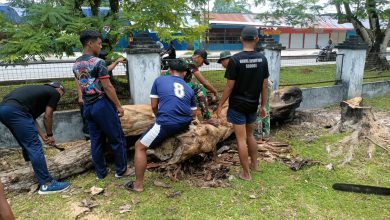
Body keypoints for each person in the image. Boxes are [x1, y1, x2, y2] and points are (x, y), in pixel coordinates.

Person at [125, 59, 197, 192]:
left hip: (166, 122)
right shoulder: (189, 87)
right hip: (184, 122)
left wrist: (159, 116)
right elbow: (194, 113)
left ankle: (138, 185)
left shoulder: (159, 80)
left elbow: (153, 105)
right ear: (185, 72)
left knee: (139, 147)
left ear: (170, 71)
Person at [73, 30, 133, 180]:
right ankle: (121, 170)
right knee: (116, 138)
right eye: (99, 44)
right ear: (89, 43)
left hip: (87, 106)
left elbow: (81, 82)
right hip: (102, 104)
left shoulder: (77, 63)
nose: (100, 47)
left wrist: (81, 97)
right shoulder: (98, 62)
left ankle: (100, 172)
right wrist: (119, 106)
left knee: (96, 140)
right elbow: (108, 87)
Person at [216, 26, 269, 181]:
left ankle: (246, 173)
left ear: (241, 39)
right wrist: (263, 105)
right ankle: (254, 165)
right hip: (253, 104)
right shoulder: (262, 59)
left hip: (238, 105)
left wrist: (220, 105)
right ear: (256, 39)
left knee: (241, 139)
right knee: (250, 135)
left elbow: (229, 86)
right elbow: (264, 84)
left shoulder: (235, 59)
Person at [0, 82, 70, 194]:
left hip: (4, 110)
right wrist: (50, 135)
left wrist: (43, 135)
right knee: (34, 146)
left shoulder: (37, 92)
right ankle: (47, 184)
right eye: (62, 94)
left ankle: (30, 169)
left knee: (26, 143)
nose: (59, 98)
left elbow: (30, 118)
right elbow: (48, 116)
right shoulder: (54, 93)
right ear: (59, 89)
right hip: (16, 111)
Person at [185, 49, 219, 120]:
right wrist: (215, 91)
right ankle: (207, 117)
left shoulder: (186, 61)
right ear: (198, 57)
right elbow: (204, 82)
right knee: (200, 88)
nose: (202, 64)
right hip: (174, 85)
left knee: (194, 85)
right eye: (203, 61)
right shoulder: (191, 63)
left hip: (172, 84)